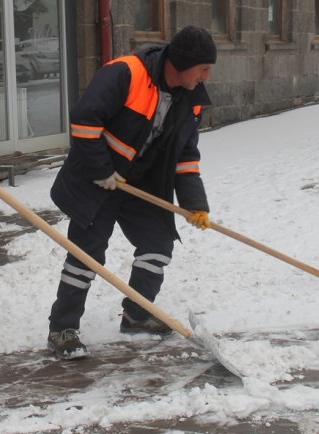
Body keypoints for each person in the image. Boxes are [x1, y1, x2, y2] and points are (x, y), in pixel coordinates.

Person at [47, 26, 217, 360]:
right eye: (204, 68)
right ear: (183, 64)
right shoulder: (126, 73)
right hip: (97, 182)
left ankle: (137, 313)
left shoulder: (191, 100)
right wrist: (101, 170)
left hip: (141, 187)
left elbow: (185, 156)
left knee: (157, 245)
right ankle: (62, 329)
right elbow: (84, 122)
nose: (206, 76)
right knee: (86, 254)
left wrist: (195, 204)